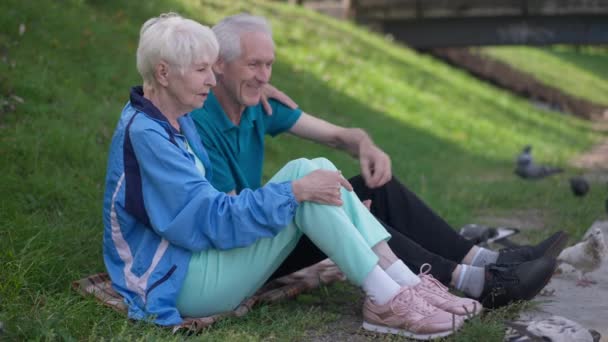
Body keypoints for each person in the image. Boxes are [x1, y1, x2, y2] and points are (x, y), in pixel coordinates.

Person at [102, 12, 482, 340]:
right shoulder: (147, 134)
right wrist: (294, 193)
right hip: (178, 281)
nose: (212, 80)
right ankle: (389, 297)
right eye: (201, 70)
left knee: (312, 168)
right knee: (305, 187)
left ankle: (404, 286)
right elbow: (208, 219)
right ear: (164, 73)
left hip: (195, 260)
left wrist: (256, 86)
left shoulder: (174, 117)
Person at [190, 13, 564, 309]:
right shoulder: (201, 121)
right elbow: (233, 219)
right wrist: (342, 213)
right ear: (219, 65)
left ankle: (484, 261)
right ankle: (475, 282)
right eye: (254, 65)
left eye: (269, 65)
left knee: (375, 187)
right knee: (334, 201)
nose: (264, 76)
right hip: (238, 252)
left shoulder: (259, 103)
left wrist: (364, 144)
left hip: (258, 223)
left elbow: (338, 135)